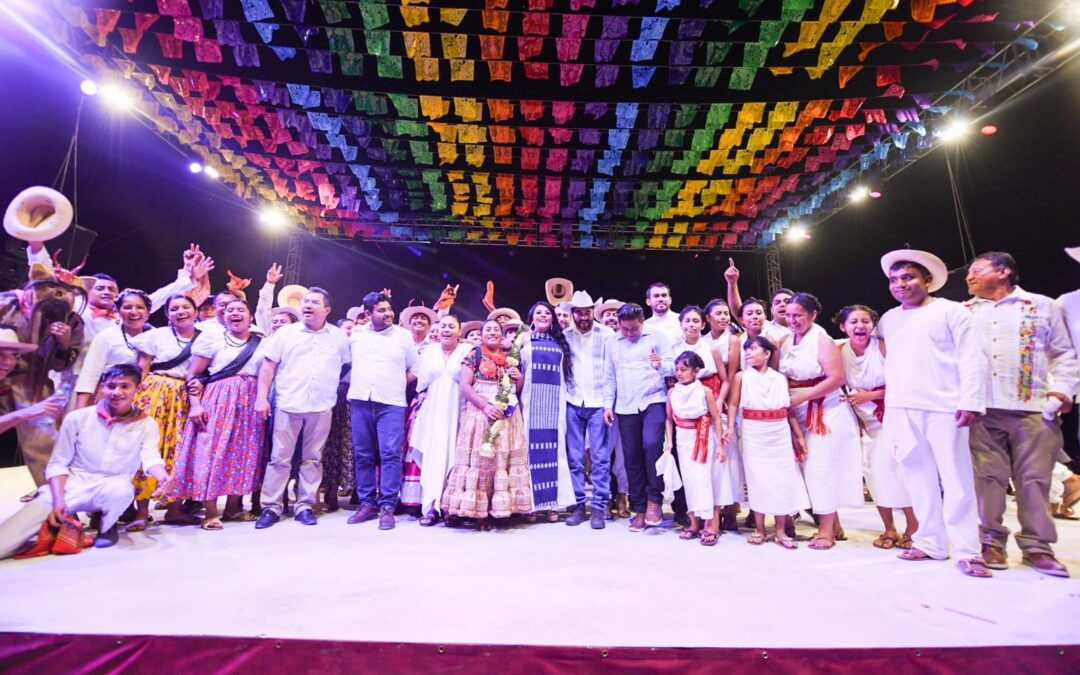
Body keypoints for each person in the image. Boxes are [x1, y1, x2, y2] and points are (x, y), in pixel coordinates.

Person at [877, 249, 991, 577]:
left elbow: (972, 359)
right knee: (917, 478)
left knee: (956, 480)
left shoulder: (952, 312)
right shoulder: (889, 318)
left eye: (908, 277)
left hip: (945, 407)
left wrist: (970, 401)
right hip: (902, 407)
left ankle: (969, 551)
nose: (900, 284)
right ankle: (929, 542)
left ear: (928, 280)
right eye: (894, 280)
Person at [964, 252, 1078, 577]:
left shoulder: (1044, 306)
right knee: (987, 481)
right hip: (983, 410)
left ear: (1003, 271)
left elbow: (1063, 354)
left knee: (1034, 481)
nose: (969, 277)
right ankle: (991, 542)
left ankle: (1037, 547)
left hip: (1033, 408)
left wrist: (1062, 391)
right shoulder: (965, 312)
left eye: (976, 271)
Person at [0, 364, 169, 557]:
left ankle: (108, 525)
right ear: (102, 387)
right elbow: (58, 463)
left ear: (137, 389)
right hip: (75, 483)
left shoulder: (146, 424)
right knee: (17, 529)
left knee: (122, 491)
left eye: (125, 386)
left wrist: (162, 476)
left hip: (111, 484)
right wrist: (58, 499)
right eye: (111, 386)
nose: (117, 392)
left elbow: (150, 458)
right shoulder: (77, 418)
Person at [254, 288, 350, 529]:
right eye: (306, 301)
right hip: (288, 403)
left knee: (313, 459)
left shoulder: (338, 337)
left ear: (326, 310)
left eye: (314, 302)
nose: (307, 305)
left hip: (321, 407)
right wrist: (261, 398)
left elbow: (345, 366)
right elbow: (268, 366)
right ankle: (271, 507)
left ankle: (305, 505)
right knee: (279, 458)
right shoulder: (286, 333)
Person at [170, 298, 265, 530]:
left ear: (250, 317)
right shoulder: (211, 338)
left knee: (242, 453)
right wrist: (195, 404)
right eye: (230, 310)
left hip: (249, 402)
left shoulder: (262, 342)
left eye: (241, 309)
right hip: (218, 400)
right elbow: (193, 375)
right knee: (211, 452)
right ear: (223, 316)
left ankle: (233, 508)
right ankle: (210, 512)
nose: (234, 313)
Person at [778, 292, 863, 549]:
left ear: (813, 315)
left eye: (798, 316)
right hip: (797, 411)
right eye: (789, 315)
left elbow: (836, 378)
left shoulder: (822, 340)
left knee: (820, 469)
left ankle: (825, 530)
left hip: (825, 410)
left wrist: (799, 398)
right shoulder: (784, 341)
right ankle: (832, 523)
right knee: (807, 468)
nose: (792, 320)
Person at [834, 305, 917, 549]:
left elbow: (905, 383)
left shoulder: (882, 346)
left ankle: (913, 527)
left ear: (873, 324)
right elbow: (838, 385)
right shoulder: (840, 351)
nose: (860, 326)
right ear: (843, 327)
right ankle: (889, 528)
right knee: (875, 476)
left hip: (893, 415)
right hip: (864, 420)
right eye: (853, 322)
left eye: (865, 321)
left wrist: (871, 395)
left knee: (900, 474)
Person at [441, 319, 531, 529]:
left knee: (502, 460)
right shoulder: (474, 355)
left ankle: (500, 509)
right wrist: (485, 407)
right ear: (481, 335)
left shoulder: (510, 358)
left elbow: (516, 388)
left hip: (507, 413)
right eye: (488, 329)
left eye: (496, 330)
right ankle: (478, 512)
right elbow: (465, 386)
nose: (492, 332)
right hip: (481, 412)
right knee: (481, 460)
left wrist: (518, 378)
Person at [724, 337, 808, 548]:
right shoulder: (741, 377)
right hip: (754, 430)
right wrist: (729, 427)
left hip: (778, 431)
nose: (748, 353)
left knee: (782, 479)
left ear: (767, 353)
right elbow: (733, 404)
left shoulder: (780, 378)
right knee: (757, 479)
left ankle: (780, 530)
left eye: (753, 349)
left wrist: (798, 436)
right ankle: (759, 528)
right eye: (746, 350)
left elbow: (787, 410)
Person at [128, 294, 202, 529]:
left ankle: (175, 509)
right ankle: (141, 511)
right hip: (156, 394)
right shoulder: (155, 336)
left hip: (187, 397)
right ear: (167, 314)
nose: (180, 311)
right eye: (174, 309)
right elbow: (142, 369)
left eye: (185, 307)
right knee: (149, 448)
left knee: (181, 450)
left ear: (195, 310)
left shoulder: (205, 338)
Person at [346, 291, 417, 530]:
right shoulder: (355, 335)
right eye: (381, 310)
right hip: (360, 401)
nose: (388, 313)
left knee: (390, 454)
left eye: (389, 309)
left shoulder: (403, 336)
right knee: (363, 454)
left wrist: (397, 382)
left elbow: (416, 367)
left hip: (391, 403)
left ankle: (387, 505)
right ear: (367, 314)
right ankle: (367, 503)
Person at [604, 302, 673, 531]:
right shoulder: (613, 342)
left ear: (642, 322)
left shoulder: (657, 336)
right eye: (625, 329)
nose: (630, 333)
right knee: (631, 457)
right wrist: (607, 405)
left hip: (653, 399)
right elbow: (609, 377)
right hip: (625, 404)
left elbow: (674, 366)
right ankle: (640, 509)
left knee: (652, 444)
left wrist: (660, 365)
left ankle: (655, 500)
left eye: (634, 328)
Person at [411, 315, 472, 525]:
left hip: (459, 406)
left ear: (459, 330)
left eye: (451, 326)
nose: (446, 330)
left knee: (455, 455)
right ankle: (430, 507)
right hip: (434, 408)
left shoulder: (467, 350)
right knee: (433, 453)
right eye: (443, 326)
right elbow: (420, 382)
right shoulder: (429, 351)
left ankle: (450, 507)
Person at [520, 301, 576, 521]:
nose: (543, 316)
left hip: (554, 403)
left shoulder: (561, 341)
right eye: (538, 313)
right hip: (530, 402)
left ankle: (554, 504)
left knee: (556, 450)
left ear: (553, 318)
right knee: (529, 451)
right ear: (531, 317)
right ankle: (531, 505)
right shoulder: (522, 340)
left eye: (547, 313)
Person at [666, 351, 728, 546]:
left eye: (684, 369)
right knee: (690, 480)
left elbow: (716, 417)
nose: (679, 373)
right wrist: (669, 441)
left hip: (703, 437)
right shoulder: (672, 392)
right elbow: (669, 419)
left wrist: (720, 445)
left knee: (705, 478)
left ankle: (711, 523)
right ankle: (694, 522)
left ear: (696, 371)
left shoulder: (704, 391)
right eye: (677, 369)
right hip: (683, 439)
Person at [563, 291, 613, 529]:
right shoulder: (564, 336)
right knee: (574, 457)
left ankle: (599, 508)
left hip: (598, 402)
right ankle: (578, 505)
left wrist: (608, 404)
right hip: (573, 400)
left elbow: (611, 372)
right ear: (572, 313)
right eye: (579, 312)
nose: (583, 317)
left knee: (600, 458)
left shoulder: (606, 334)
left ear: (593, 312)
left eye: (587, 312)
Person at [73, 289, 152, 408]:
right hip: (110, 399)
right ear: (118, 311)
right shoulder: (107, 336)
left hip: (146, 401)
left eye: (140, 307)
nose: (133, 312)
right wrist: (79, 413)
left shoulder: (157, 337)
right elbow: (89, 375)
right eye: (127, 307)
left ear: (148, 313)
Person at [319, 317, 357, 512]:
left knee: (347, 446)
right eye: (346, 328)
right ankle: (325, 491)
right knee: (328, 445)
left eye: (353, 328)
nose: (349, 332)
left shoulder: (360, 349)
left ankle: (342, 490)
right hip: (332, 395)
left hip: (352, 399)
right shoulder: (332, 347)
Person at [724, 258, 792, 342]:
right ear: (771, 310)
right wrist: (732, 283)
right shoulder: (764, 326)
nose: (782, 305)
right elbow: (738, 311)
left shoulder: (810, 329)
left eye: (787, 301)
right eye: (777, 302)